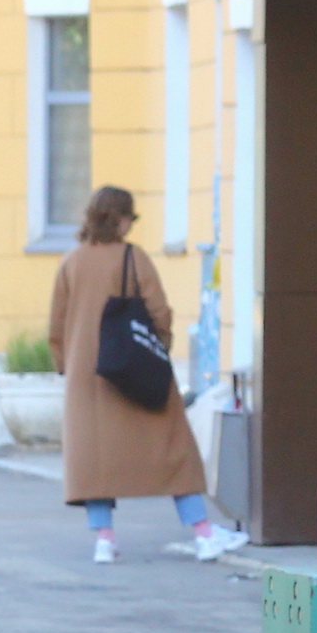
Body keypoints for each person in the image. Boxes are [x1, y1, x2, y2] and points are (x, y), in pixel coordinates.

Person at [48, 186, 245, 566]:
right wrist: (160, 350)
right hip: (135, 372)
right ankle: (203, 534)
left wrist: (66, 366)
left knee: (96, 463)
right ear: (118, 218)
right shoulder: (132, 258)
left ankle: (104, 540)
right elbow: (159, 311)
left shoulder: (70, 262)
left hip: (87, 379)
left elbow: (55, 324)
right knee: (175, 453)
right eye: (130, 217)